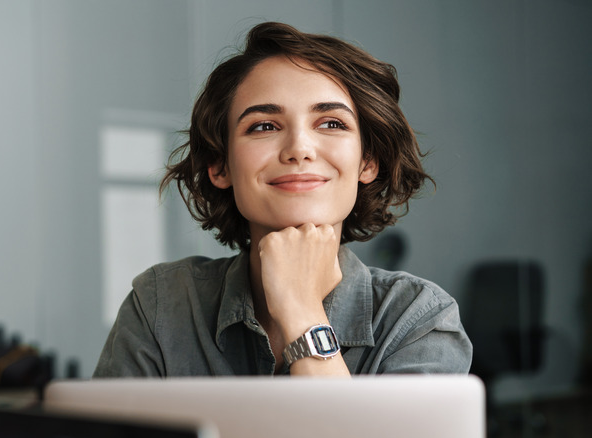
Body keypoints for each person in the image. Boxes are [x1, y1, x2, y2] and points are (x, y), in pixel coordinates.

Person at [94, 22, 472, 377]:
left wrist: (301, 311)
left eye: (331, 124)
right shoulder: (159, 305)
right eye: (263, 126)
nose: (299, 149)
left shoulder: (419, 320)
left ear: (367, 161)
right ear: (219, 165)